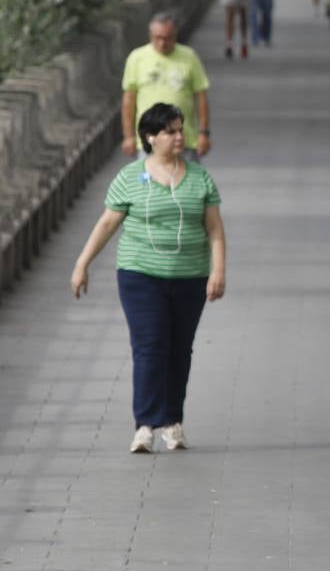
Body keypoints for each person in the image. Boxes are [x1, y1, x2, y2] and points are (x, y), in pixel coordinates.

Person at [69, 103, 228, 454]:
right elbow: (108, 223)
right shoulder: (129, 177)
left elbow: (215, 229)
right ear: (150, 137)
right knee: (150, 346)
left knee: (179, 348)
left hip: (190, 275)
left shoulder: (200, 178)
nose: (178, 137)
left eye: (180, 129)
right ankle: (145, 424)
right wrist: (82, 263)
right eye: (170, 131)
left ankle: (172, 421)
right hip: (139, 274)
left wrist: (218, 270)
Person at [121, 12, 212, 159]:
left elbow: (201, 97)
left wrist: (204, 133)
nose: (162, 43)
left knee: (186, 181)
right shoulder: (137, 58)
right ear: (151, 36)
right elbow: (129, 100)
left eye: (167, 38)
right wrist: (128, 136)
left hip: (183, 140)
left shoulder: (189, 57)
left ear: (175, 36)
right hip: (149, 141)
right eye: (158, 38)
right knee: (149, 182)